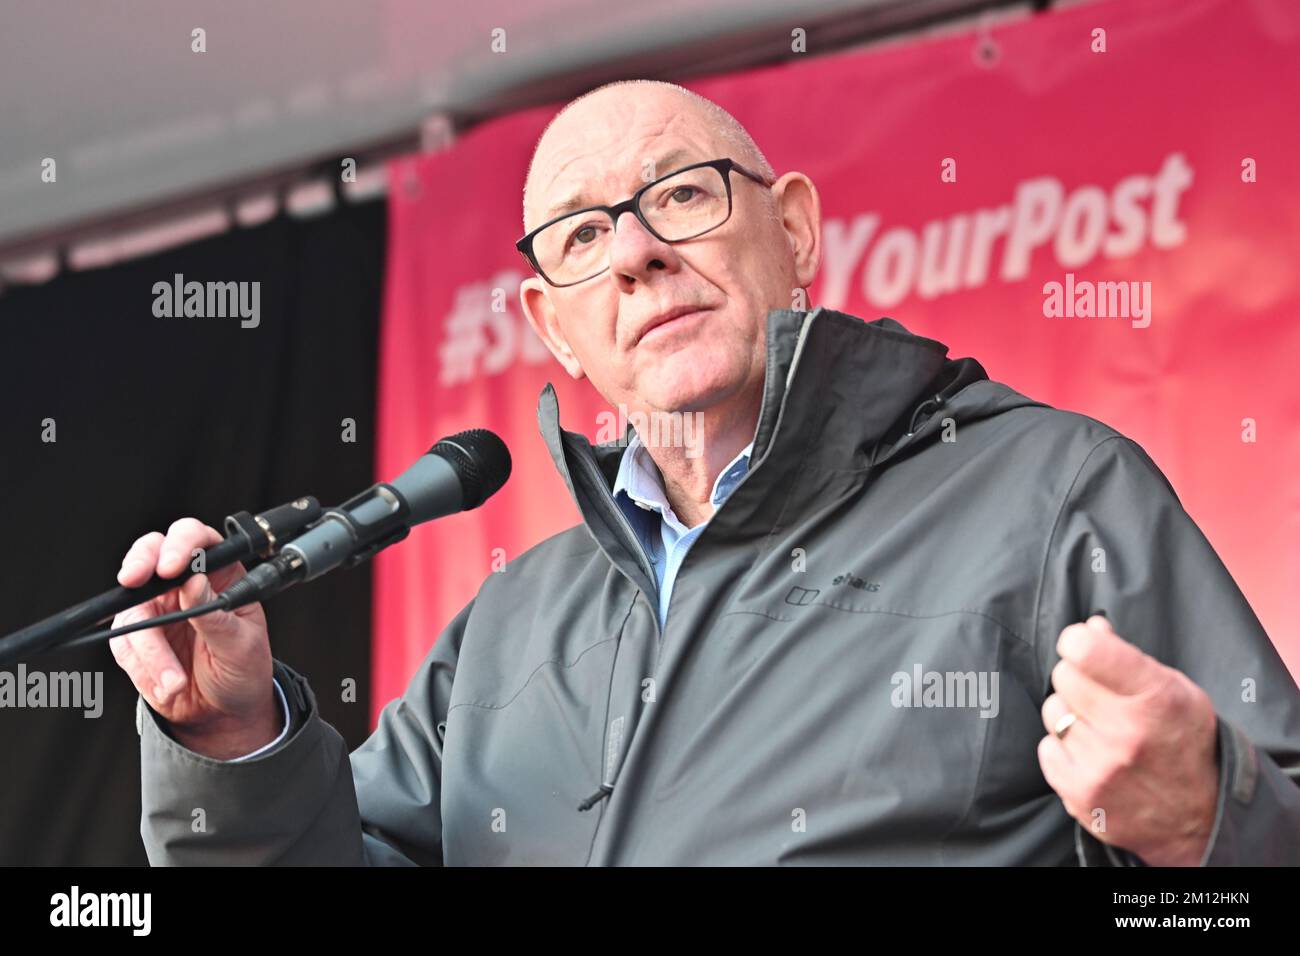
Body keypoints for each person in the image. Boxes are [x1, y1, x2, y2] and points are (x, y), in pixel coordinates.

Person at [111, 80, 1300, 865]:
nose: (634, 251)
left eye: (679, 193)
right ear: (556, 327)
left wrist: (1212, 820)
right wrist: (234, 742)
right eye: (580, 235)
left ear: (791, 231)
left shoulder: (1050, 494)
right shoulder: (509, 628)